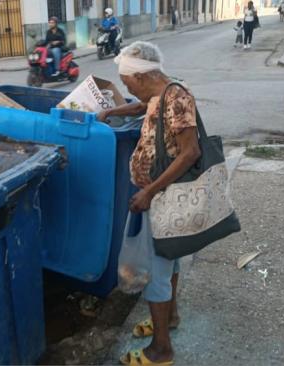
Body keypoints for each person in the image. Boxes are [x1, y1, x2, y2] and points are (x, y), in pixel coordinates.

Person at [97, 40, 201, 366]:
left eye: (126, 81)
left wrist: (150, 191)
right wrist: (111, 111)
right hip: (160, 196)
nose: (125, 86)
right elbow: (143, 107)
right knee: (170, 261)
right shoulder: (160, 94)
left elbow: (190, 152)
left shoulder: (177, 98)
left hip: (165, 198)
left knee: (157, 271)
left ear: (140, 77)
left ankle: (161, 351)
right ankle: (169, 318)